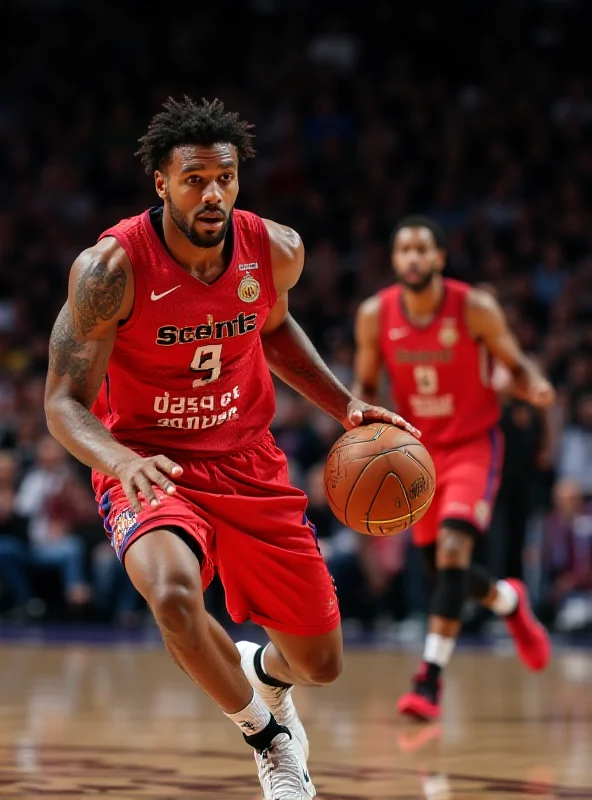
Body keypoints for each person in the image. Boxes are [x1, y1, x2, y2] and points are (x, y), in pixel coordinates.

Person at [44, 97, 417, 799]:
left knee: (323, 663)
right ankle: (268, 741)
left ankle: (267, 676)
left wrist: (346, 406)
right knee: (175, 597)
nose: (211, 193)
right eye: (194, 179)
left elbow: (273, 329)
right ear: (161, 182)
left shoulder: (274, 249)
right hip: (149, 463)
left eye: (224, 177)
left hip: (248, 460)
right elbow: (61, 402)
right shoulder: (109, 270)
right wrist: (121, 462)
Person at [353, 215, 555, 721]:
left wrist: (535, 386)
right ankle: (510, 601)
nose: (414, 258)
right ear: (395, 260)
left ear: (440, 258)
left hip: (472, 443)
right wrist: (359, 446)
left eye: (423, 249)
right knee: (448, 573)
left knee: (452, 552)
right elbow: (364, 391)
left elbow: (515, 362)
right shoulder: (375, 316)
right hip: (418, 452)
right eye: (404, 250)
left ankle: (429, 681)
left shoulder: (475, 307)